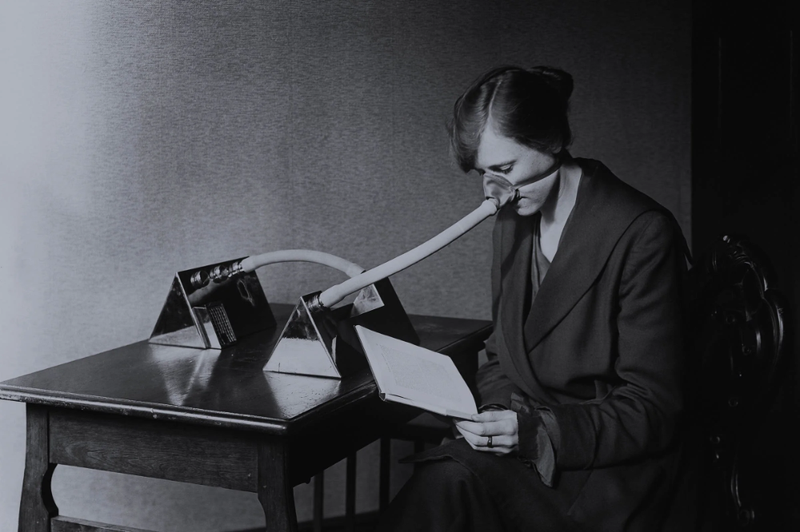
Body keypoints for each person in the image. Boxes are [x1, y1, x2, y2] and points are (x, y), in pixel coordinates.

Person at [376, 66, 697, 531]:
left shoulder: (642, 233)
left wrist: (535, 433)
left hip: (603, 468)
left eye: (504, 170)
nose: (492, 192)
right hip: (524, 444)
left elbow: (655, 408)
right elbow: (500, 358)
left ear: (550, 141)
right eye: (483, 174)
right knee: (444, 482)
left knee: (447, 488)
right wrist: (491, 415)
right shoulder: (512, 223)